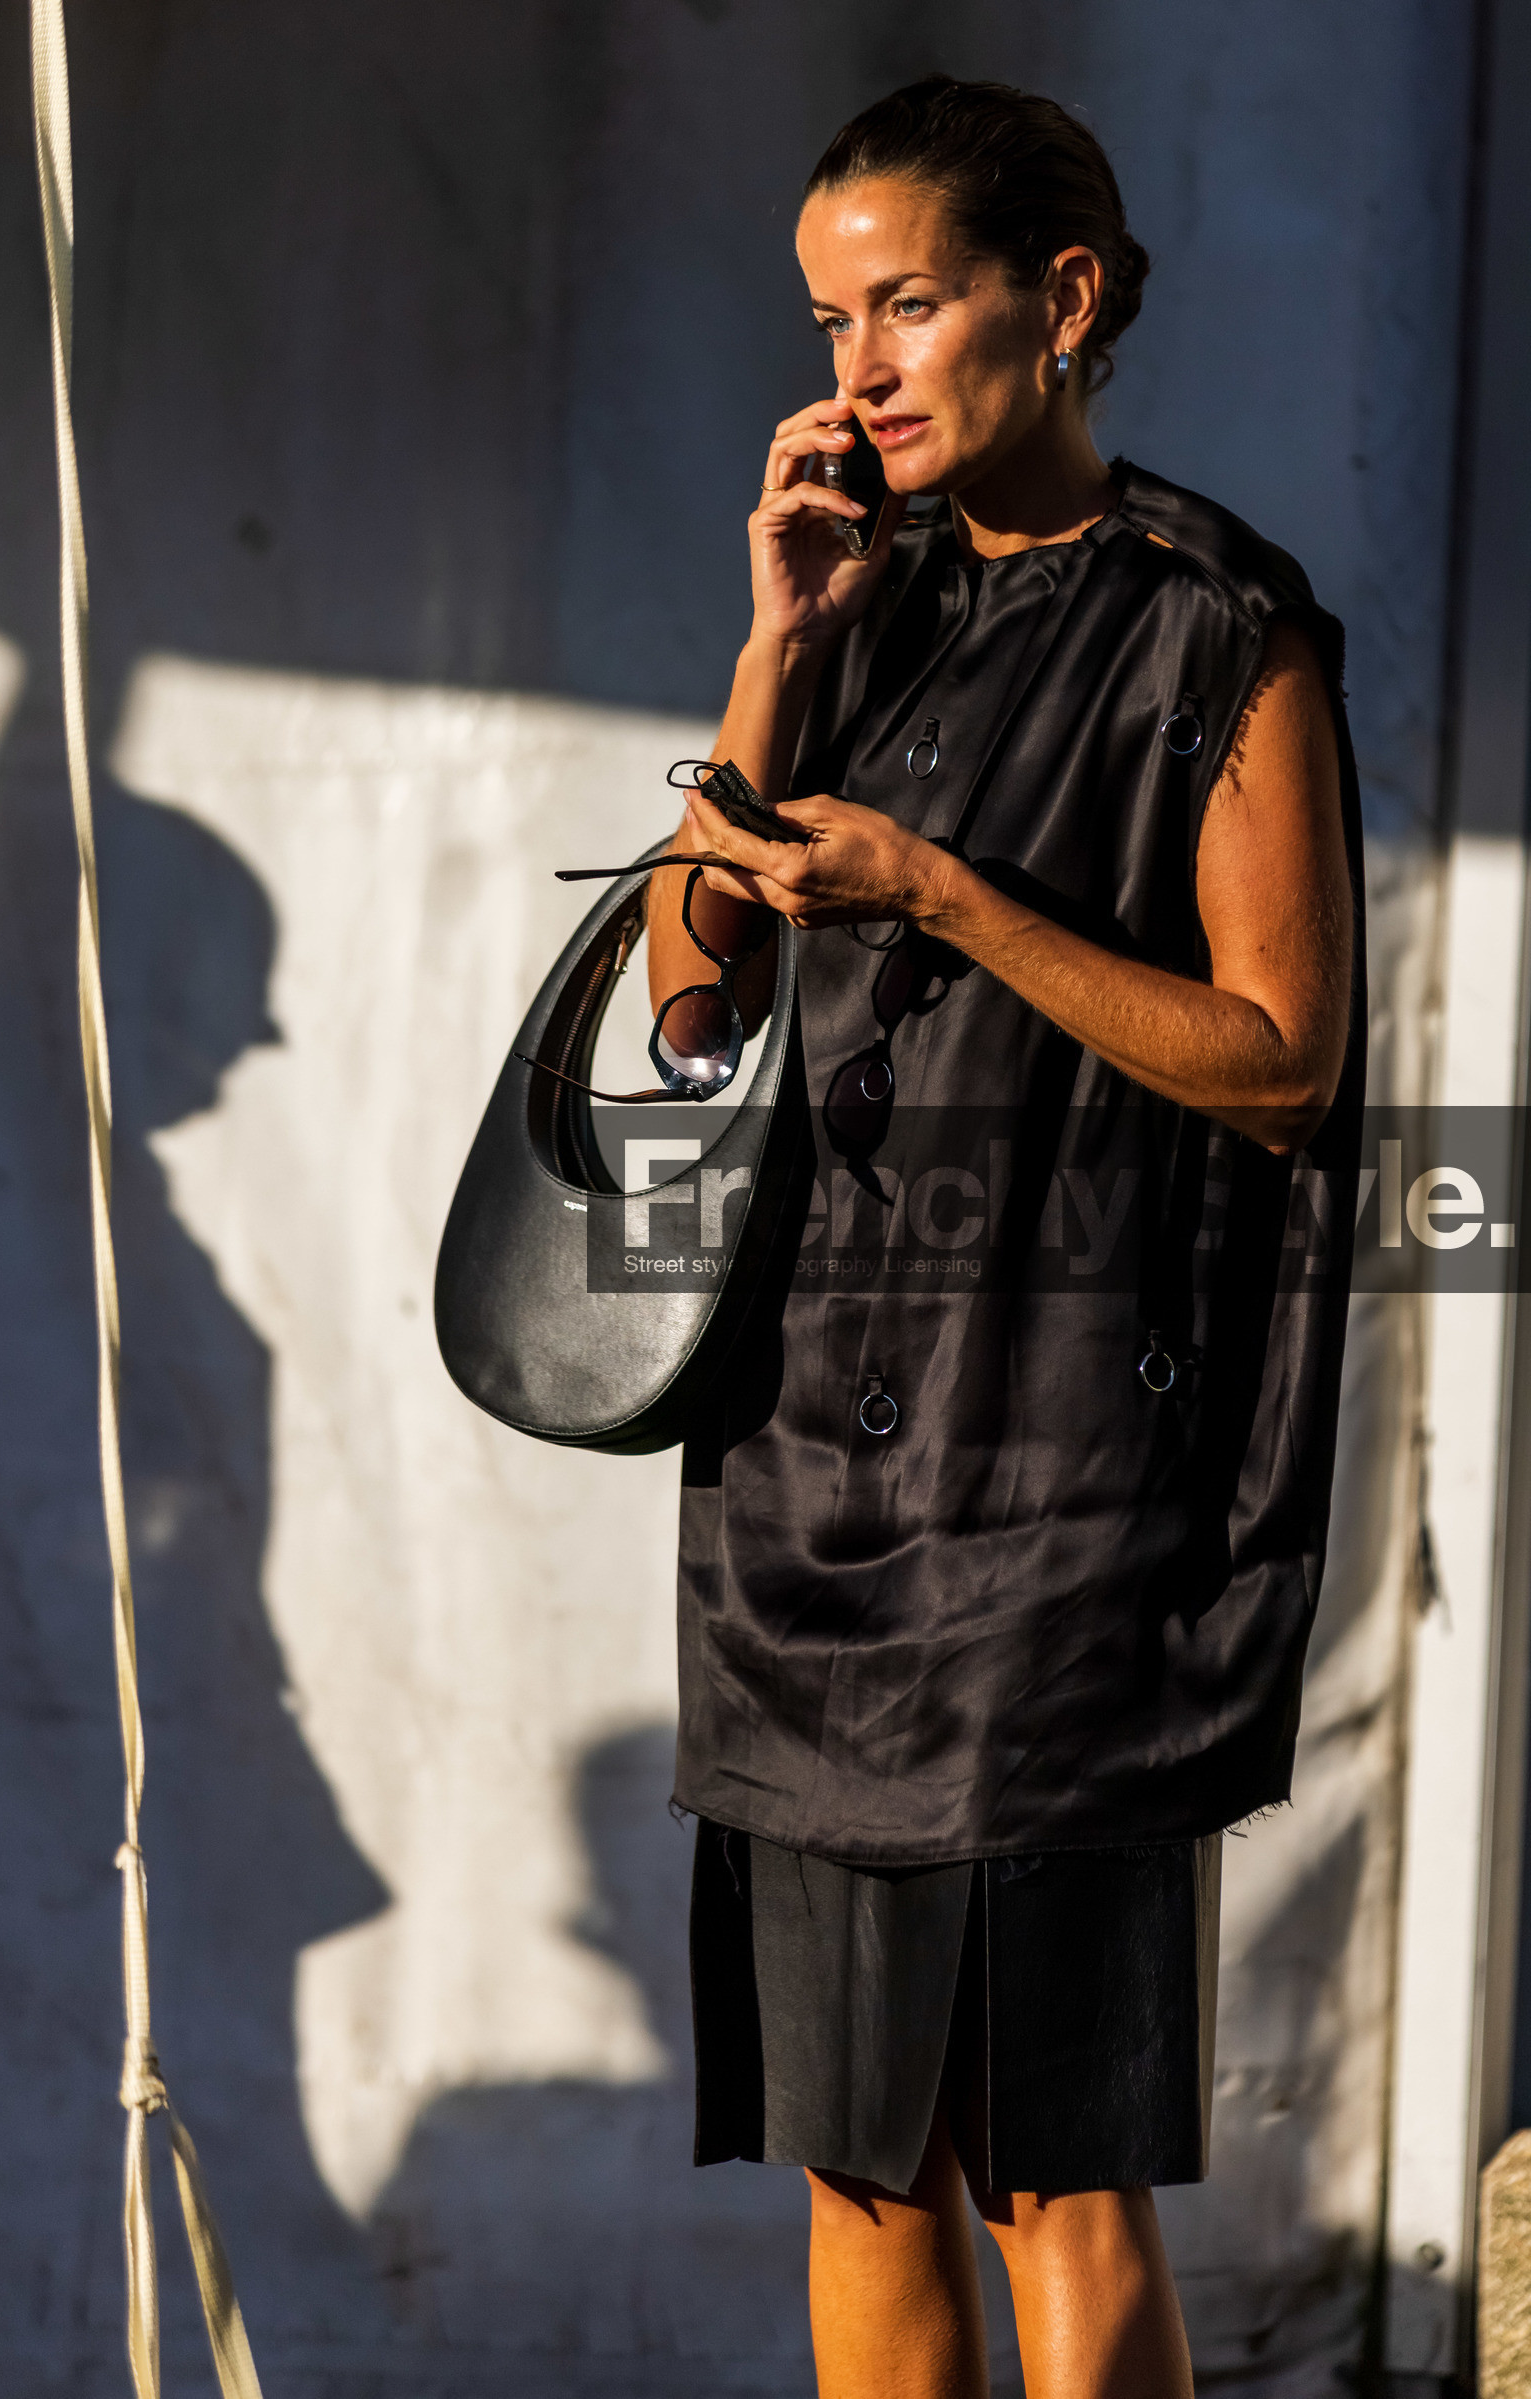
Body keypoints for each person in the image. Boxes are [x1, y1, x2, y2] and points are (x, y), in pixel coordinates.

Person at [646, 75, 1362, 2399]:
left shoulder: (1214, 626)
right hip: (800, 1509)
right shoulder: (858, 599)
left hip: (1058, 1511)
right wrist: (773, 649)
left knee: (1051, 2171)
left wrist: (947, 898)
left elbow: (1280, 1058)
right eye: (824, 321)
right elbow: (685, 990)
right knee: (856, 2165)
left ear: (1055, 301)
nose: (854, 368)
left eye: (902, 305)